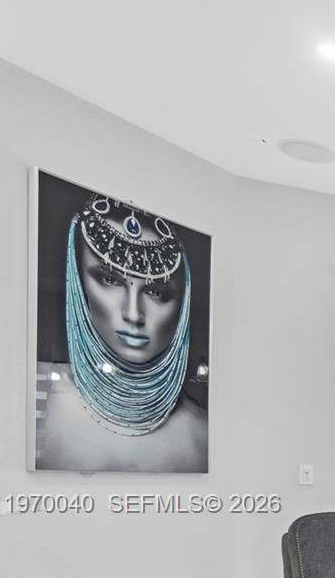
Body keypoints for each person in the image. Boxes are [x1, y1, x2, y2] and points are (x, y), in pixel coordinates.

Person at [35, 194, 207, 472]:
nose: (133, 313)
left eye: (156, 291)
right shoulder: (40, 403)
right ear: (79, 281)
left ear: (182, 303)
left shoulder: (200, 433)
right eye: (110, 279)